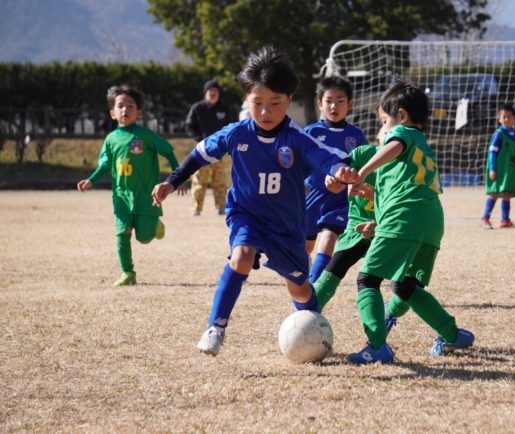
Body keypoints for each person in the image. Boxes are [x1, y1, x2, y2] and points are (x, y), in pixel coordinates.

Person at [151, 46, 358, 357]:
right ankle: (215, 327)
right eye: (257, 103)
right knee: (242, 256)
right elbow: (199, 154)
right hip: (246, 214)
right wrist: (172, 181)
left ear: (289, 99)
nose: (265, 112)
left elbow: (323, 157)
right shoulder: (236, 134)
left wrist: (339, 170)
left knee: (299, 287)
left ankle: (315, 326)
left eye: (275, 103)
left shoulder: (297, 138)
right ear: (246, 99)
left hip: (287, 225)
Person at [346, 81, 474, 364]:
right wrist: (378, 225)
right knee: (405, 287)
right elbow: (406, 192)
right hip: (430, 221)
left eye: (384, 122)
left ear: (401, 116)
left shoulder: (402, 134)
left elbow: (395, 144)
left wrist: (362, 172)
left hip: (405, 217)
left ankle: (377, 346)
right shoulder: (421, 147)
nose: (383, 130)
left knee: (367, 279)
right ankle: (452, 334)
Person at [77, 85, 186, 286]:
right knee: (122, 232)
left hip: (146, 196)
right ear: (112, 113)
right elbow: (105, 164)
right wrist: (91, 180)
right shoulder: (110, 139)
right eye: (120, 106)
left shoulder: (146, 136)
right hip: (121, 196)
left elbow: (168, 152)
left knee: (144, 238)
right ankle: (128, 273)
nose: (125, 109)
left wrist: (177, 179)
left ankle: (155, 225)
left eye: (130, 106)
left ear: (139, 112)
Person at [314, 125, 410, 331]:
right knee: (335, 267)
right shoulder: (362, 153)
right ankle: (307, 313)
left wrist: (375, 197)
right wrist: (334, 179)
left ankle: (390, 312)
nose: (392, 133)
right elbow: (342, 170)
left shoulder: (405, 167)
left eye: (399, 130)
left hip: (389, 228)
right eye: (386, 125)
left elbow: (405, 203)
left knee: (405, 287)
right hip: (357, 226)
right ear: (378, 133)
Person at [304, 76, 368, 284]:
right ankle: (302, 281)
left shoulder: (356, 135)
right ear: (319, 104)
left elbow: (364, 167)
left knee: (329, 238)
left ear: (350, 104)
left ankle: (313, 288)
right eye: (329, 101)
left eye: (340, 101)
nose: (334, 106)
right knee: (305, 247)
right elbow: (298, 164)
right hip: (312, 197)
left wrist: (348, 183)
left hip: (340, 201)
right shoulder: (310, 132)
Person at [186, 80, 234, 216]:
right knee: (199, 180)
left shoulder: (224, 108)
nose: (213, 93)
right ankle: (196, 208)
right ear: (205, 93)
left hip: (221, 150)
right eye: (210, 90)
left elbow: (232, 127)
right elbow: (189, 126)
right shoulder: (197, 108)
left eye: (215, 91)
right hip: (202, 150)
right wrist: (199, 139)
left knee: (220, 180)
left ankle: (221, 206)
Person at [480, 104, 515, 229]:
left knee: (507, 194)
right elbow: (492, 152)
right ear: (499, 119)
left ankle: (505, 220)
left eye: (509, 116)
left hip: (510, 169)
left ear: (514, 118)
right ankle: (485, 219)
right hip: (499, 169)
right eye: (504, 117)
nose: (506, 119)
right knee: (494, 193)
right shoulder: (499, 134)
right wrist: (492, 168)